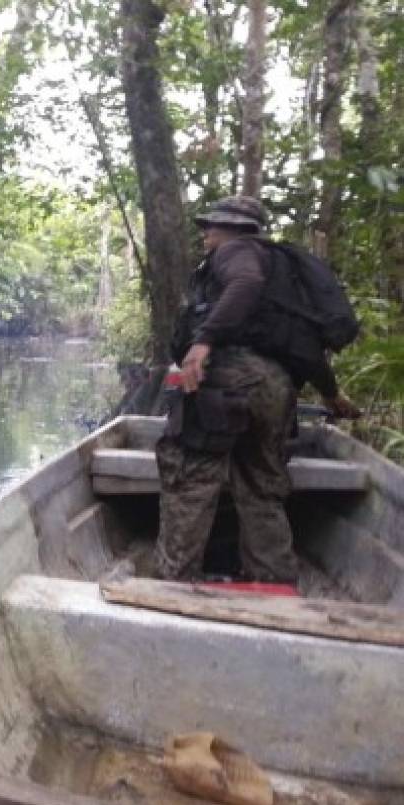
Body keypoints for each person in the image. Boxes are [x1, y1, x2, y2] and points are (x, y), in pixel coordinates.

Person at [154, 195, 359, 584]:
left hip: (227, 380)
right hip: (275, 388)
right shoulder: (285, 278)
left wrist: (202, 344)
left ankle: (173, 581)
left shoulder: (236, 254)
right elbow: (306, 349)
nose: (206, 233)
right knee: (263, 485)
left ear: (232, 228)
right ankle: (274, 582)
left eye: (211, 225)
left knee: (190, 479)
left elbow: (245, 281)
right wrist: (332, 394)